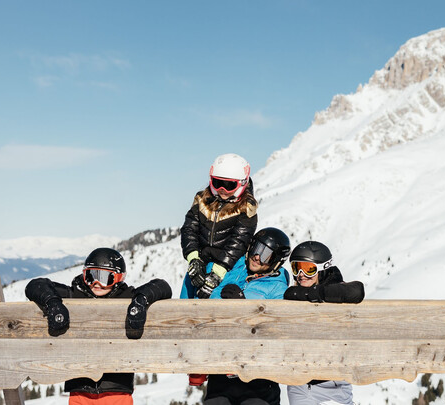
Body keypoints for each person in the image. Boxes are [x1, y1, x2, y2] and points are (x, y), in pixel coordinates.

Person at [25, 247, 172, 405]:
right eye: (91, 276)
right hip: (80, 389)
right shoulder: (75, 295)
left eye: (104, 277)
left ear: (118, 277)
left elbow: (162, 286)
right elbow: (35, 285)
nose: (96, 283)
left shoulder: (126, 297)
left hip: (117, 388)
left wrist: (141, 300)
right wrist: (53, 303)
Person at [199, 227, 292, 405]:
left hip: (258, 379)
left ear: (277, 262)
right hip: (222, 371)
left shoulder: (277, 288)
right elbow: (211, 298)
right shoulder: (236, 269)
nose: (257, 257)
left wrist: (244, 306)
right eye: (257, 249)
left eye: (266, 255)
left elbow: (274, 327)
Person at [282, 241, 365, 405]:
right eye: (296, 267)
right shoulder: (294, 292)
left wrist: (315, 294)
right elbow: (290, 293)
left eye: (308, 269)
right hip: (301, 384)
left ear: (322, 268)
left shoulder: (334, 288)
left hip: (335, 383)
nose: (300, 274)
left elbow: (357, 291)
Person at [180, 153, 259, 299]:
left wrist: (218, 272)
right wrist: (193, 259)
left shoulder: (246, 208)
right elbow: (189, 229)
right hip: (202, 261)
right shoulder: (202, 200)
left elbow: (239, 242)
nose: (222, 189)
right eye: (217, 183)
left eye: (229, 185)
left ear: (242, 183)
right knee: (185, 301)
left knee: (212, 302)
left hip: (230, 266)